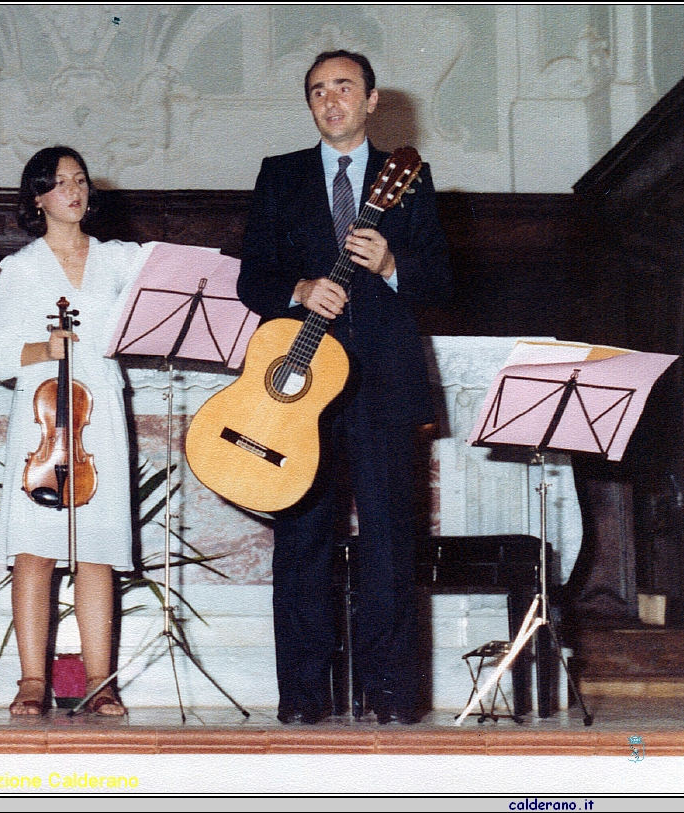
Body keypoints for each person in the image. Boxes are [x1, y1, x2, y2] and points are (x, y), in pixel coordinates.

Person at [236, 51, 451, 724]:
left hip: (384, 381)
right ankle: (303, 696)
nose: (330, 100)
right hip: (301, 385)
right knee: (302, 537)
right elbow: (251, 279)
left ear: (371, 99)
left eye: (343, 87)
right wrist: (299, 288)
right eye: (317, 91)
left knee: (389, 537)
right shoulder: (280, 176)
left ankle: (391, 694)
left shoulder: (410, 178)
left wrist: (391, 263)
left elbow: (442, 279)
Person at [0, 146, 143, 716]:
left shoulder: (121, 259)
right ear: (38, 198)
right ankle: (30, 680)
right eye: (59, 182)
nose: (74, 190)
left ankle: (101, 679)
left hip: (99, 413)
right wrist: (42, 347)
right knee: (35, 550)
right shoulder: (19, 269)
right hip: (43, 420)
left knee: (96, 549)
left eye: (80, 180)